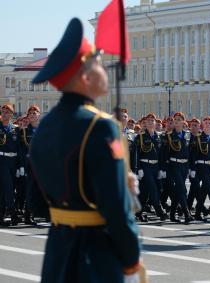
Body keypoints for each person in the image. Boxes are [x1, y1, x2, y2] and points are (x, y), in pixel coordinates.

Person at [29, 18, 145, 283]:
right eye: (99, 64)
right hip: (96, 257)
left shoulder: (44, 126)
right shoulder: (102, 127)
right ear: (86, 76)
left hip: (58, 253)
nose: (105, 69)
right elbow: (115, 209)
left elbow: (36, 201)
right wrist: (131, 258)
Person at [160, 112, 193, 224]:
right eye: (176, 119)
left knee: (179, 190)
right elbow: (164, 154)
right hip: (173, 166)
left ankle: (173, 214)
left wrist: (190, 167)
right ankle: (187, 213)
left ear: (184, 122)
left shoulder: (188, 135)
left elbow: (191, 153)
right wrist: (163, 169)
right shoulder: (168, 135)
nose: (177, 121)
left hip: (184, 166)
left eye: (180, 119)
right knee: (182, 189)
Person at [135, 113, 168, 222]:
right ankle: (160, 211)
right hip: (145, 166)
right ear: (145, 123)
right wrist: (138, 168)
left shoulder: (159, 137)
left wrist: (161, 169)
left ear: (155, 123)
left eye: (152, 120)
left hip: (155, 166)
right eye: (148, 121)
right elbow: (136, 154)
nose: (150, 122)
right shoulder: (140, 136)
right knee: (153, 188)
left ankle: (139, 213)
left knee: (145, 192)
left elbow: (162, 155)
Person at [0, 103, 23, 226]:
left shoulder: (15, 129)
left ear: (11, 114)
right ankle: (13, 214)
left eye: (8, 112)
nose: (5, 114)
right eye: (3, 112)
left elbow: (19, 148)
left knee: (5, 190)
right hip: (1, 160)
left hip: (12, 162)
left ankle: (1, 215)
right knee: (8, 188)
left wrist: (20, 166)